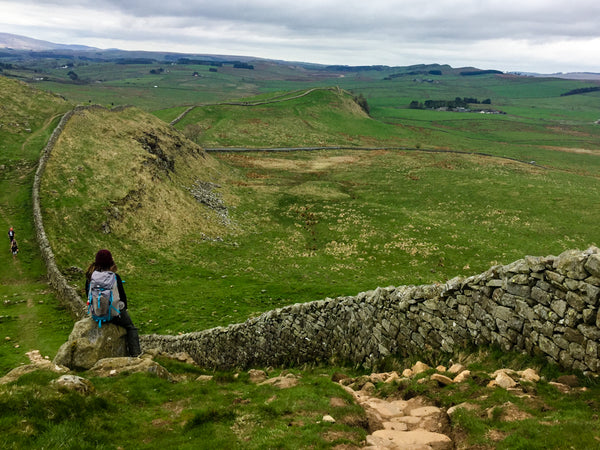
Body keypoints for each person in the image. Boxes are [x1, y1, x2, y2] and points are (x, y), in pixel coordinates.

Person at [85, 249, 141, 357]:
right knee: (131, 328)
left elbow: (88, 294)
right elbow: (123, 299)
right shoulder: (114, 277)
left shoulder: (91, 277)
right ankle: (136, 355)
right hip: (114, 314)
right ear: (110, 262)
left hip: (96, 313)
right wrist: (123, 309)